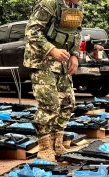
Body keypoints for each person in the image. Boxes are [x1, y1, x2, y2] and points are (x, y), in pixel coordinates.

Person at [24, 0, 82, 161]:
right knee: (50, 105)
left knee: (68, 103)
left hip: (62, 62)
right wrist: (52, 50)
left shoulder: (75, 7)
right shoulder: (48, 4)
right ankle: (44, 147)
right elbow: (31, 32)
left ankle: (57, 143)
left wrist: (75, 55)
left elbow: (77, 32)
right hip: (42, 62)